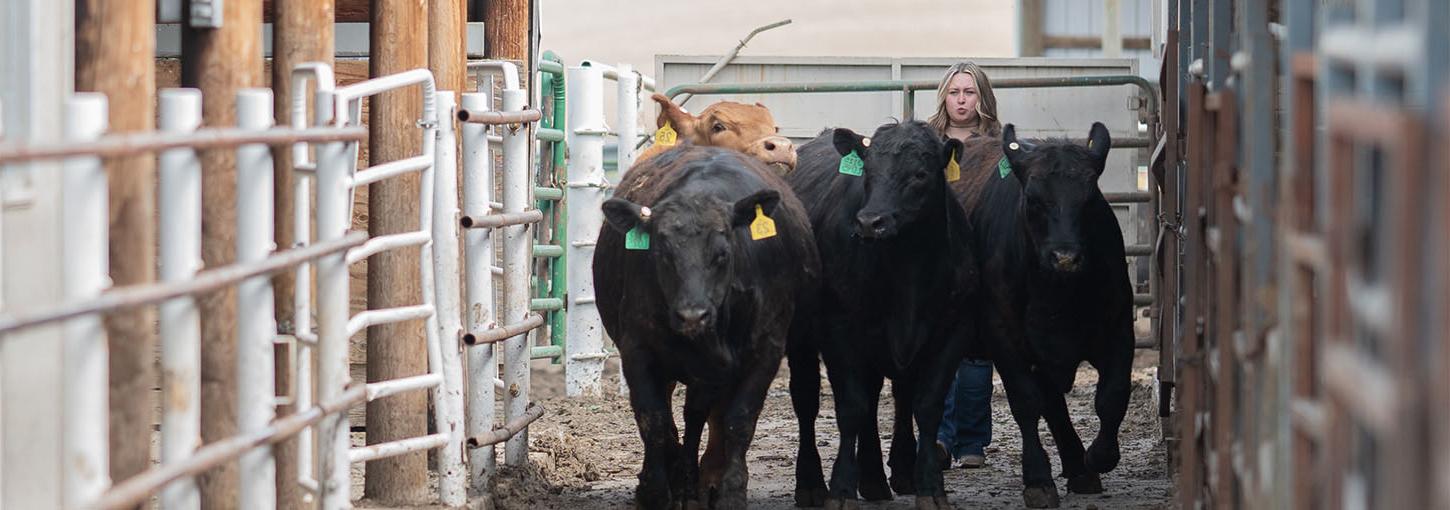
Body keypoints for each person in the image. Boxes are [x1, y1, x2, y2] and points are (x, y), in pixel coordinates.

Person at [927, 61, 1001, 469]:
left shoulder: (997, 145)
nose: (960, 100)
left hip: (983, 255)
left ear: (981, 98)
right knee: (939, 351)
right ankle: (940, 436)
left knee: (976, 354)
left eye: (968, 93)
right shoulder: (926, 141)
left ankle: (972, 442)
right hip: (938, 257)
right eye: (954, 92)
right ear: (944, 96)